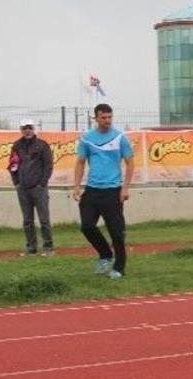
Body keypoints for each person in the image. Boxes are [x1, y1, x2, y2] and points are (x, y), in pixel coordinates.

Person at [73, 104, 135, 279]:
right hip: (92, 190)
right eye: (103, 117)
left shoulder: (120, 137)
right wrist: (77, 186)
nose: (107, 121)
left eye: (110, 117)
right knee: (87, 226)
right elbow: (80, 162)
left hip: (113, 191)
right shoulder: (87, 139)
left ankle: (119, 268)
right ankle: (105, 254)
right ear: (96, 118)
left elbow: (130, 163)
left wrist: (125, 188)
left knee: (116, 232)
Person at [9, 119, 54, 256]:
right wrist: (16, 183)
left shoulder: (42, 145)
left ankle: (48, 248)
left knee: (44, 219)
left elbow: (48, 166)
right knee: (27, 221)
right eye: (24, 128)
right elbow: (12, 165)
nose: (27, 130)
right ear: (21, 130)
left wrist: (42, 183)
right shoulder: (16, 146)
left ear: (34, 129)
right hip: (23, 189)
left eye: (29, 127)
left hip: (38, 188)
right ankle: (31, 248)